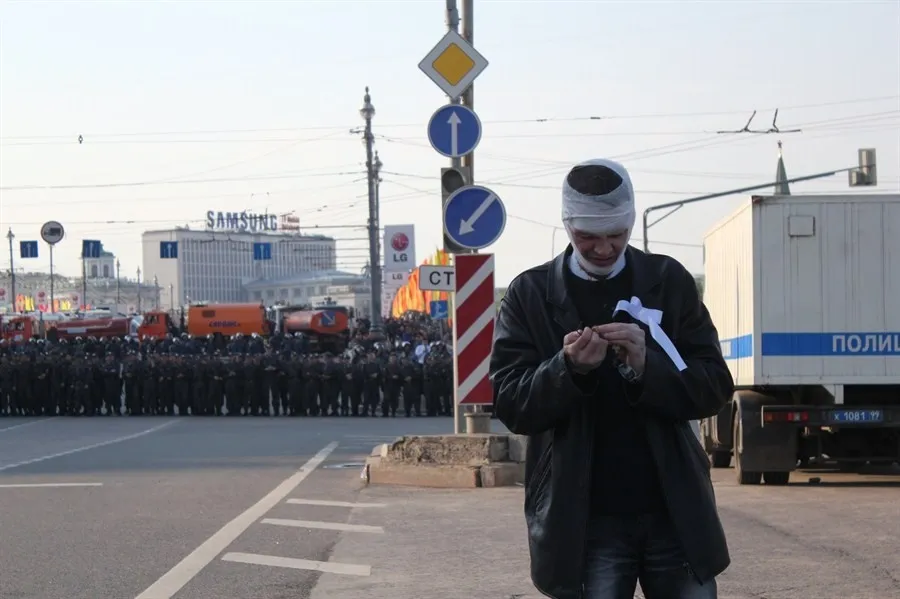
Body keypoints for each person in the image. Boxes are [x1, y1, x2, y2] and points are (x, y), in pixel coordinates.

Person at [491, 158, 734, 599]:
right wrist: (567, 369)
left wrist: (647, 367)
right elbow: (510, 404)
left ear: (630, 223)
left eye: (615, 236)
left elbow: (715, 387)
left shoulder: (668, 280)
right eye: (588, 238)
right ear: (567, 226)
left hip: (673, 510)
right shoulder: (530, 295)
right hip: (585, 519)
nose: (603, 248)